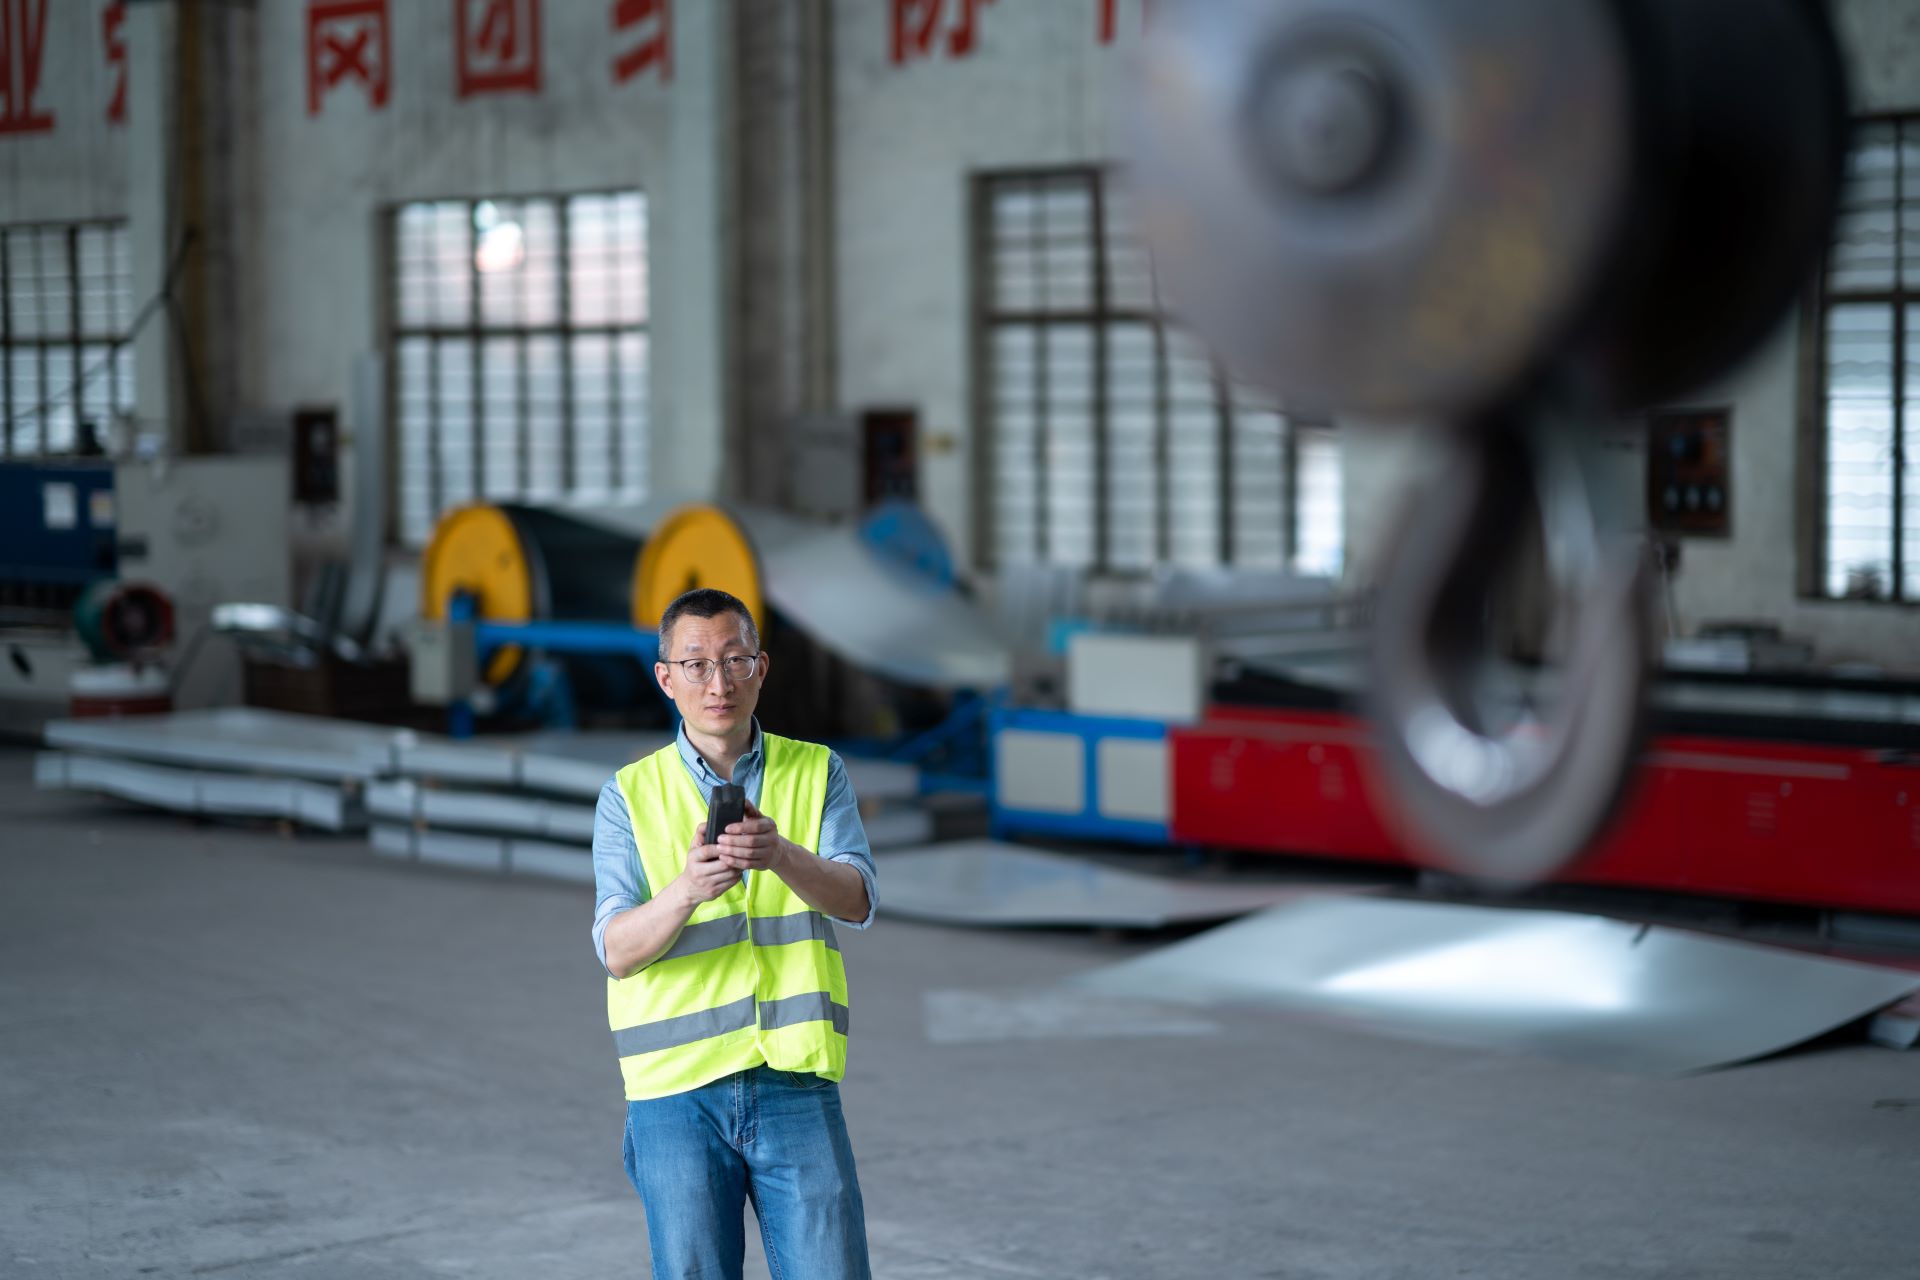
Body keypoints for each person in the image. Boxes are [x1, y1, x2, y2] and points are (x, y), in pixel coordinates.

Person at [591, 587, 877, 1279]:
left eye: (734, 660)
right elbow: (617, 949)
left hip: (792, 1079)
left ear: (762, 667)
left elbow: (859, 898)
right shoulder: (629, 794)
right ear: (666, 677)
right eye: (695, 664)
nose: (717, 682)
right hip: (675, 1093)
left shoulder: (816, 770)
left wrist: (781, 854)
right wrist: (688, 889)